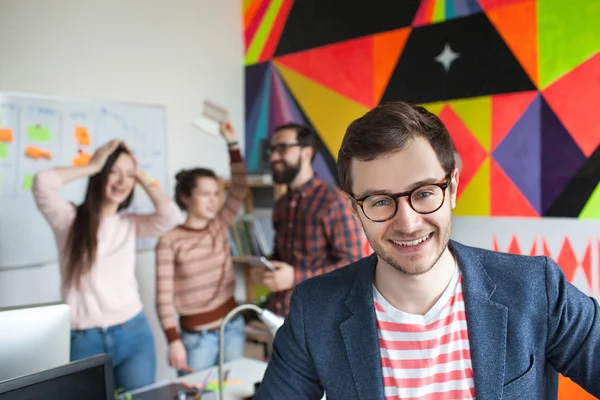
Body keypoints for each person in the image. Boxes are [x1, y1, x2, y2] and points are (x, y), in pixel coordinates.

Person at [256, 102, 600, 399]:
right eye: (379, 201)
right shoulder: (313, 311)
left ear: (451, 188)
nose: (407, 223)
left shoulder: (535, 287)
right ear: (354, 209)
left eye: (423, 193)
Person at [32, 140, 181, 392]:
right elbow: (42, 182)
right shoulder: (69, 219)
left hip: (134, 332)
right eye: (114, 171)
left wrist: (141, 175)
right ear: (100, 175)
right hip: (84, 340)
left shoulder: (130, 223)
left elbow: (171, 216)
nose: (122, 181)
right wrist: (93, 166)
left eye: (128, 175)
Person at [155, 120, 247, 375]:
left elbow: (239, 187)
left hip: (233, 327)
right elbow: (163, 299)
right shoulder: (169, 240)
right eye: (205, 193)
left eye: (216, 193)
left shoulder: (220, 224)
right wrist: (173, 340)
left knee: (236, 393)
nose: (213, 200)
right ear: (186, 197)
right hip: (196, 340)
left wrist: (232, 143)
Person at [250, 123, 364, 317]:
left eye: (282, 148)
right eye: (272, 150)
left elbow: (354, 264)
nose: (273, 157)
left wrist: (294, 277)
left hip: (318, 316)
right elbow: (282, 256)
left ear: (306, 152)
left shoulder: (333, 201)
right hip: (281, 313)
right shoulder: (282, 203)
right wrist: (268, 269)